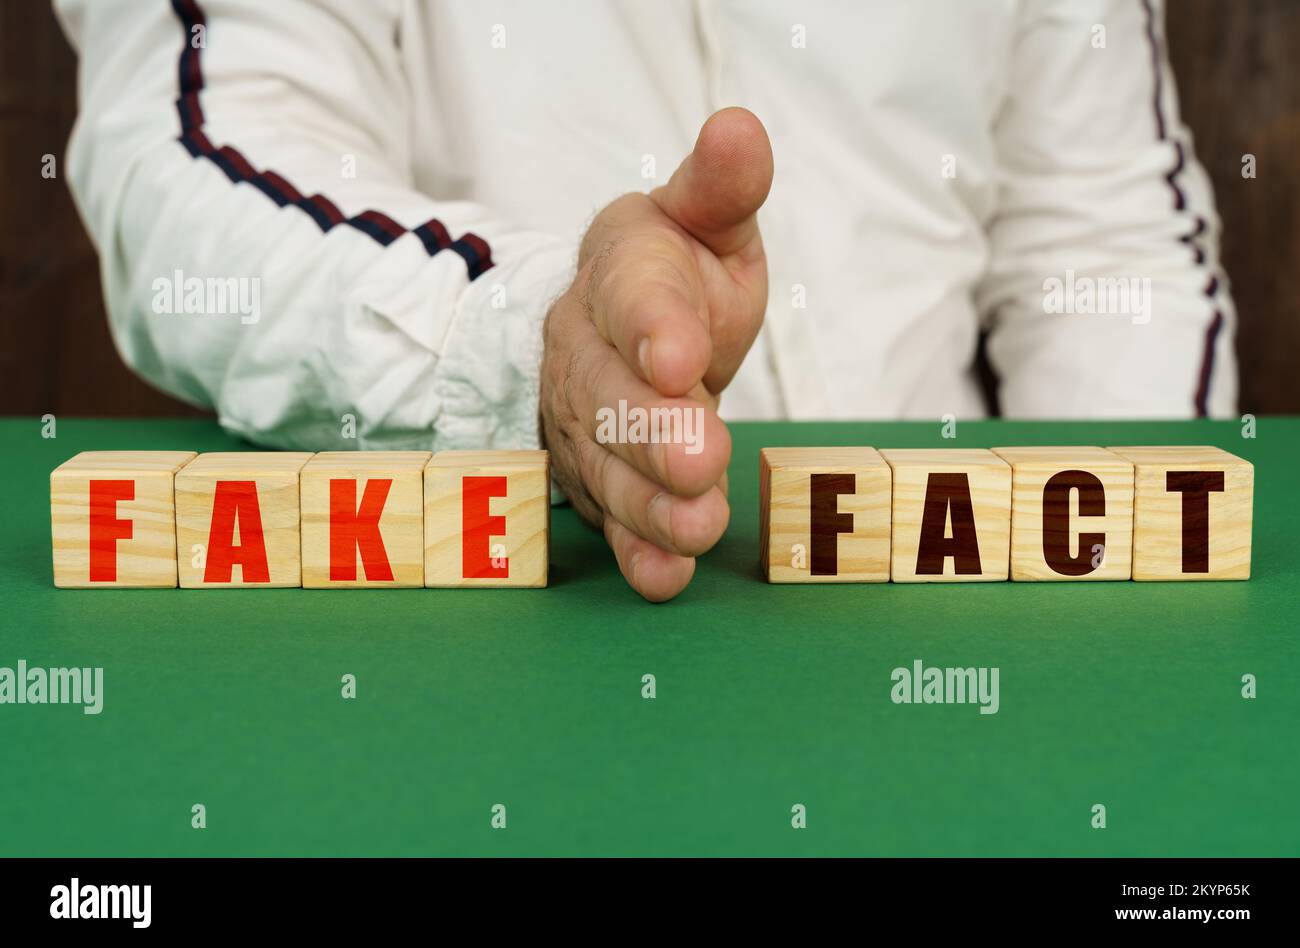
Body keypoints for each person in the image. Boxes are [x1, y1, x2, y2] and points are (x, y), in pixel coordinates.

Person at [55, 0, 1236, 601]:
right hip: (508, 614)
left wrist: (1109, 558)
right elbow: (200, 156)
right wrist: (535, 345)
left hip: (956, 610)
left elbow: (1102, 230)